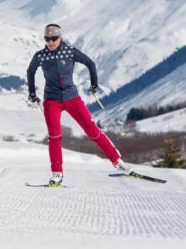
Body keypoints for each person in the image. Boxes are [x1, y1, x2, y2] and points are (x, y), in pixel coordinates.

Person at [27, 23, 132, 186]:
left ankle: (117, 161)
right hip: (51, 101)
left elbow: (90, 63)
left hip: (72, 98)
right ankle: (57, 173)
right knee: (54, 136)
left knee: (93, 131)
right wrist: (32, 94)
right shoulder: (40, 56)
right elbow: (30, 71)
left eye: (54, 38)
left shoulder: (70, 51)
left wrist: (94, 85)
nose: (51, 42)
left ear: (60, 37)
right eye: (47, 38)